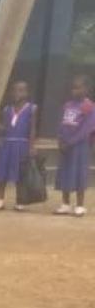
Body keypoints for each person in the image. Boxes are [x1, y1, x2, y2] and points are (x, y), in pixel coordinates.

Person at [0, 81, 37, 211]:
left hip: (22, 144)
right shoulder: (7, 109)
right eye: (15, 90)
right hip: (7, 144)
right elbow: (4, 128)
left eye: (21, 90)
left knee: (20, 174)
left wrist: (31, 146)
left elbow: (32, 129)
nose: (18, 93)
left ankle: (20, 200)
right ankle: (0, 200)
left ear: (26, 93)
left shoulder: (32, 108)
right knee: (2, 173)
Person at [55, 74, 95, 217]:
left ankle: (79, 205)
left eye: (78, 88)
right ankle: (65, 204)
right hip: (66, 146)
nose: (75, 91)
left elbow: (87, 129)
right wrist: (60, 140)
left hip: (80, 147)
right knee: (65, 173)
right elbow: (63, 124)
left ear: (86, 89)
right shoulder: (68, 105)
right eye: (73, 88)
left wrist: (71, 142)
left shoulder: (89, 106)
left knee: (79, 174)